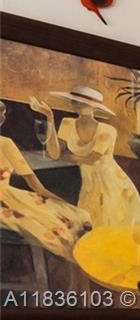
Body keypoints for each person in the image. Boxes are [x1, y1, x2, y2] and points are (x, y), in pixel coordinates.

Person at [31, 85, 140, 228]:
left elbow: (91, 159)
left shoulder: (108, 130)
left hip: (112, 183)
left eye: (83, 103)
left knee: (109, 226)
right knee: (89, 225)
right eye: (75, 101)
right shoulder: (68, 123)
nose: (78, 105)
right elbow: (54, 154)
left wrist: (65, 156)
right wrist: (50, 117)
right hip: (89, 183)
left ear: (95, 107)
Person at [0, 104, 93, 260]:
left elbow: (37, 187)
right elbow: (37, 186)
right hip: (7, 202)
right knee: (55, 223)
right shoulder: (5, 143)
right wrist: (63, 204)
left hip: (9, 199)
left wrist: (63, 205)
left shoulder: (5, 143)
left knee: (69, 218)